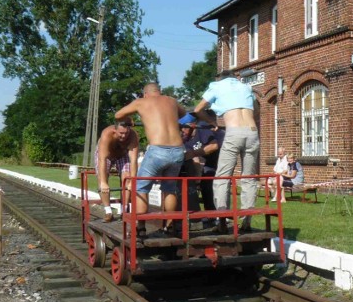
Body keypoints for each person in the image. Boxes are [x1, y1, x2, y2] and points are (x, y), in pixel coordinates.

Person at [115, 82, 186, 237]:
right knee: (169, 188)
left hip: (158, 150)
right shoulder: (172, 101)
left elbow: (118, 115)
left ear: (145, 93)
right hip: (178, 150)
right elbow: (183, 113)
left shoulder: (141, 102)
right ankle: (170, 225)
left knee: (141, 186)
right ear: (159, 92)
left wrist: (131, 119)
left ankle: (141, 227)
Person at [194, 70, 260, 233]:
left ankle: (222, 220)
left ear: (220, 78)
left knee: (222, 177)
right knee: (249, 178)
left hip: (234, 131)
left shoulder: (216, 86)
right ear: (235, 78)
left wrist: (212, 122)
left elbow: (198, 110)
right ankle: (247, 221)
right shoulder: (246, 87)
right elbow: (257, 111)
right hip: (252, 132)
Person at [94, 117, 139, 222]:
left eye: (126, 133)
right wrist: (104, 182)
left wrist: (132, 180)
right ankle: (108, 211)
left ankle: (124, 210)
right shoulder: (106, 134)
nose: (123, 136)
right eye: (121, 133)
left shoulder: (133, 136)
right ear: (115, 130)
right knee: (102, 179)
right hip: (106, 155)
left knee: (127, 179)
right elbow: (102, 159)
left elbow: (133, 160)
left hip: (123, 155)